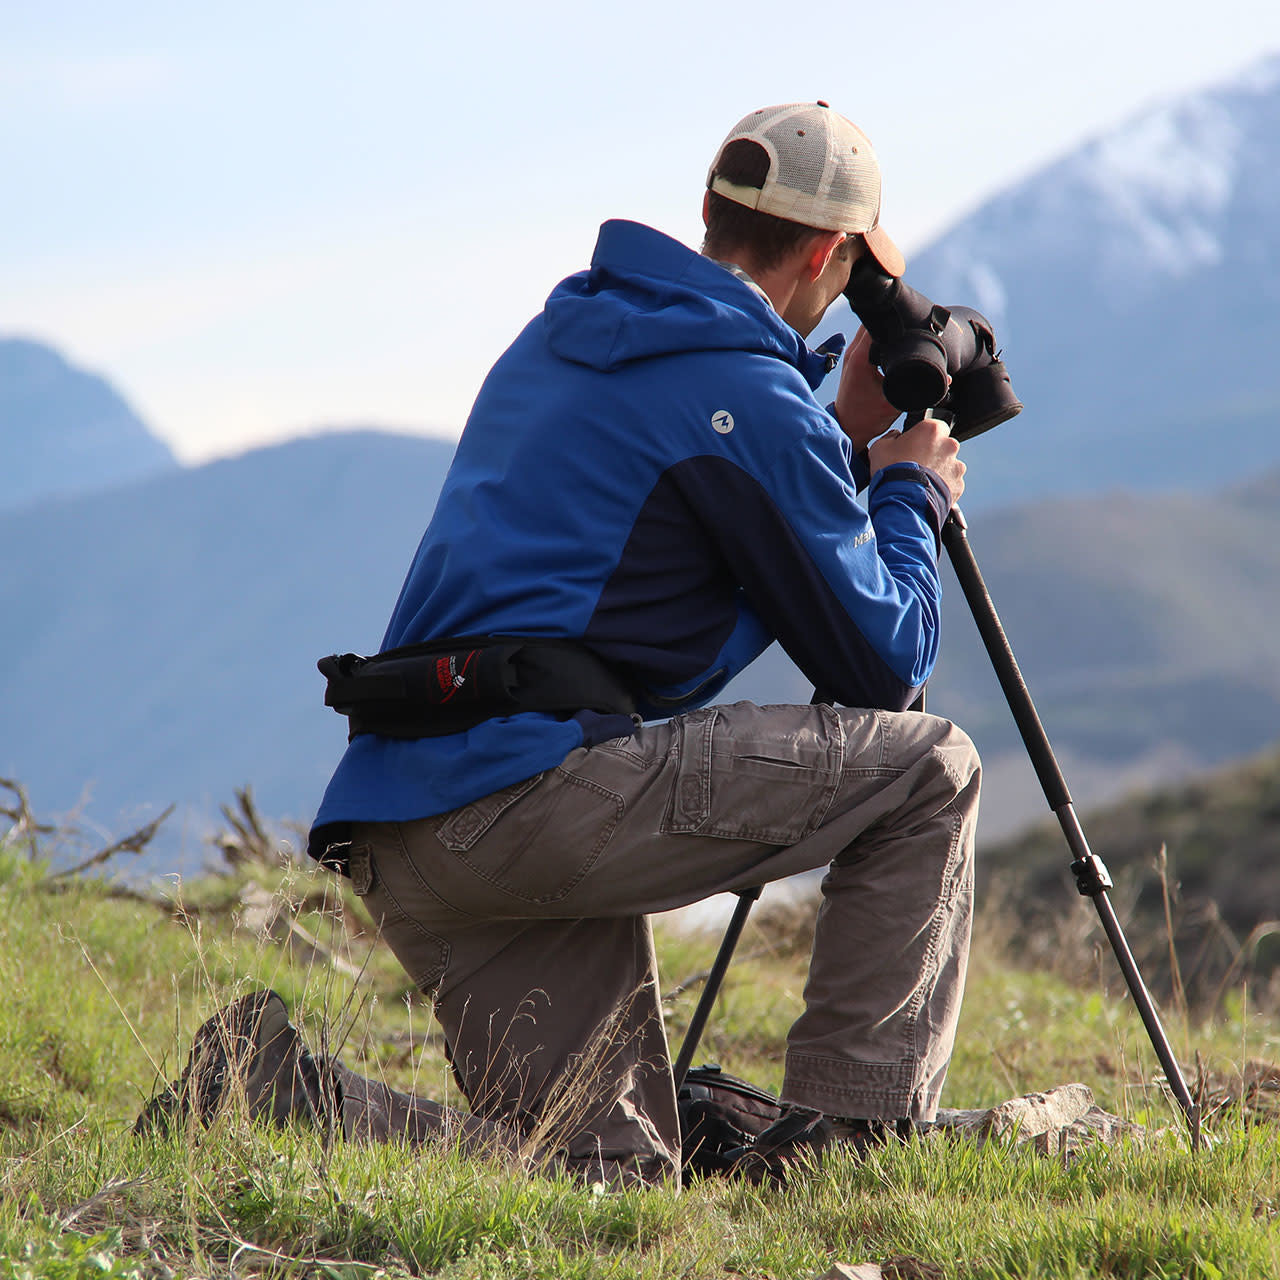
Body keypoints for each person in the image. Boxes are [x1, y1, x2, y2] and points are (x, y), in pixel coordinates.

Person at [144, 103, 980, 1190]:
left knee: (605, 1170)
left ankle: (275, 1093)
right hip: (535, 796)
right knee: (930, 770)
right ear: (828, 254)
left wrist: (839, 439)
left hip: (407, 813)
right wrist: (906, 488)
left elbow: (682, 485)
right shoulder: (747, 393)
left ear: (708, 210)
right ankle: (852, 1150)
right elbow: (884, 666)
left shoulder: (560, 338)